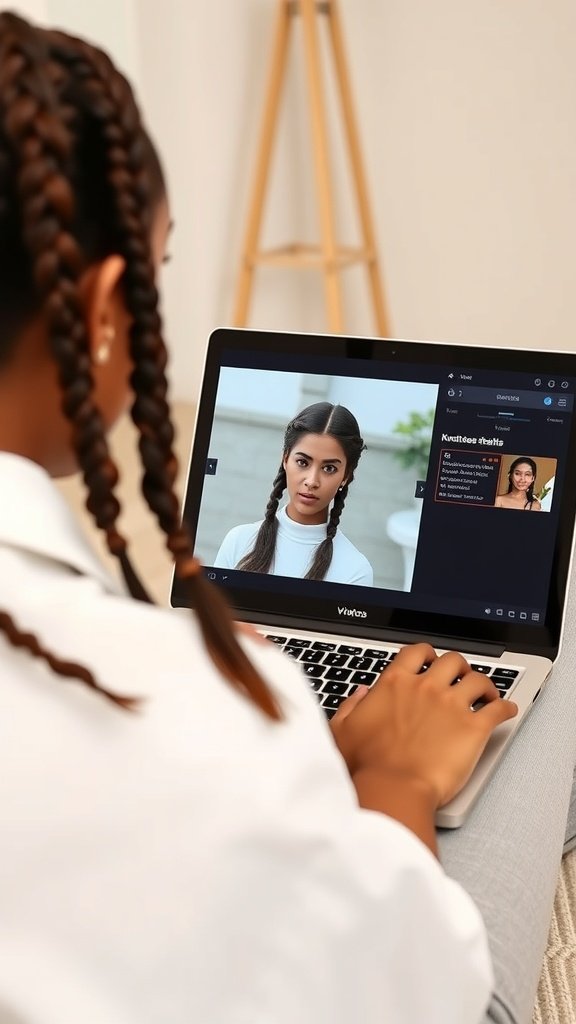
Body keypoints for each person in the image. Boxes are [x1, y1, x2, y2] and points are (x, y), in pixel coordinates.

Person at [0, 12, 519, 1023]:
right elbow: (410, 994)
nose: (314, 474)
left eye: (333, 462)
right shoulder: (190, 687)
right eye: (156, 274)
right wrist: (396, 780)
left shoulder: (354, 568)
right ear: (104, 312)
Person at [214, 402, 374, 585]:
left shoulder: (355, 570)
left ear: (346, 476)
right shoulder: (239, 541)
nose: (312, 481)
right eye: (303, 462)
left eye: (329, 468)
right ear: (285, 459)